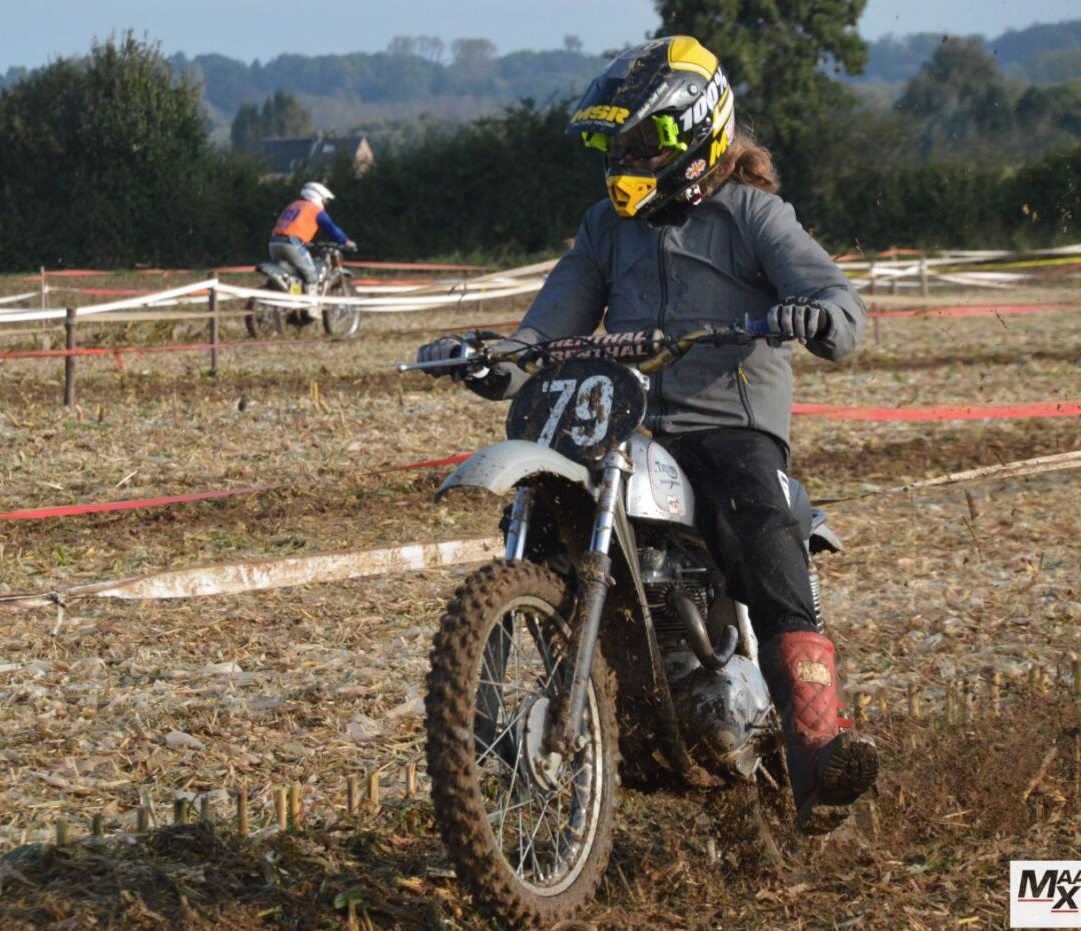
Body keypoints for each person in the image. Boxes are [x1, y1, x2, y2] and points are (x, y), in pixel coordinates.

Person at [416, 36, 878, 833]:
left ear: (694, 134)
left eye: (641, 142)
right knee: (542, 509)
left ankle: (816, 744)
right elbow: (546, 330)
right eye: (616, 144)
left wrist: (818, 315)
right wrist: (497, 362)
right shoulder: (605, 228)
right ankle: (519, 718)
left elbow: (839, 300)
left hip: (728, 424)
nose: (625, 159)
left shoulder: (753, 214)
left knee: (764, 523)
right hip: (623, 418)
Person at [268, 181, 356, 297]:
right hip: (292, 244)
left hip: (274, 242)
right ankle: (312, 305)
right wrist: (346, 241)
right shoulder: (315, 209)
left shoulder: (294, 205)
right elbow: (331, 228)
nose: (325, 204)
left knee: (293, 275)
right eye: (325, 200)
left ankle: (292, 296)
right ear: (318, 197)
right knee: (311, 276)